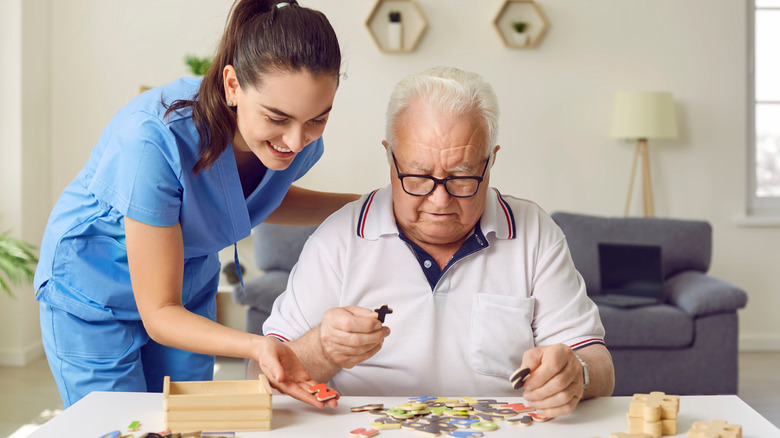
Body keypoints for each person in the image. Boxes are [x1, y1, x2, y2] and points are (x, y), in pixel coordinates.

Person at [34, 0, 356, 409]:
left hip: (186, 289)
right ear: (233, 85)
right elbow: (160, 311)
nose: (295, 141)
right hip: (95, 291)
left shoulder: (298, 141)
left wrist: (368, 205)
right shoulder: (154, 139)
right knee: (121, 423)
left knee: (187, 421)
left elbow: (249, 200)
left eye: (317, 119)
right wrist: (259, 348)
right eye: (277, 118)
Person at [258, 66, 615, 418]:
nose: (439, 201)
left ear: (491, 160)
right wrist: (323, 349)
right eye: (418, 176)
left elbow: (599, 366)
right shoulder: (338, 238)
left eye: (462, 177)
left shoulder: (535, 232)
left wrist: (577, 375)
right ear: (389, 156)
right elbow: (258, 379)